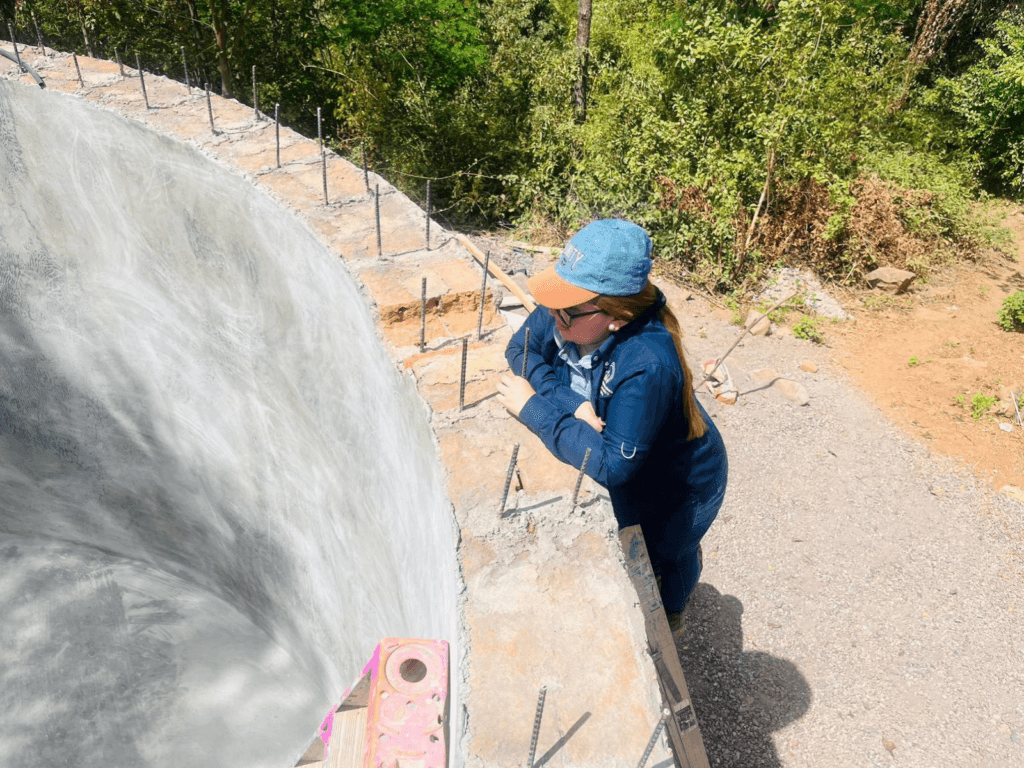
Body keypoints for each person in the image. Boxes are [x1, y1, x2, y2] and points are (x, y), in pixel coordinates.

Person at [496, 219, 728, 631]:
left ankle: (674, 610)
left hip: (682, 484)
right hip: (633, 452)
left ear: (616, 318)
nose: (552, 316)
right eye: (554, 302)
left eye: (565, 311)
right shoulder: (573, 306)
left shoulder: (646, 363)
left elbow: (612, 465)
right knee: (635, 536)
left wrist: (534, 408)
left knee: (669, 553)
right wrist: (569, 402)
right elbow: (521, 348)